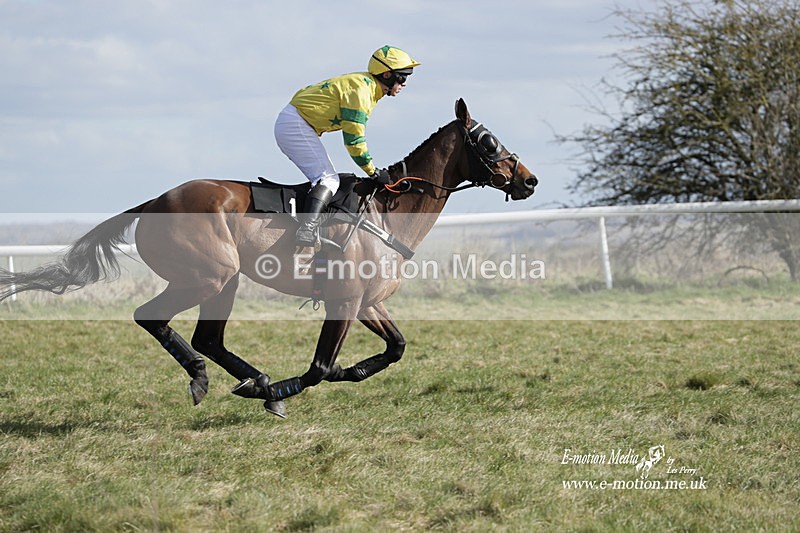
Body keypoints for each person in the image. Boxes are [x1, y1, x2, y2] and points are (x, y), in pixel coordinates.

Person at [274, 45, 421, 245]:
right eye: (402, 77)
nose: (404, 84)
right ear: (387, 75)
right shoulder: (361, 92)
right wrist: (373, 172)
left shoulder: (367, 85)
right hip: (295, 125)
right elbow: (354, 141)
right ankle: (305, 231)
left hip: (297, 123)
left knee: (327, 178)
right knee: (328, 179)